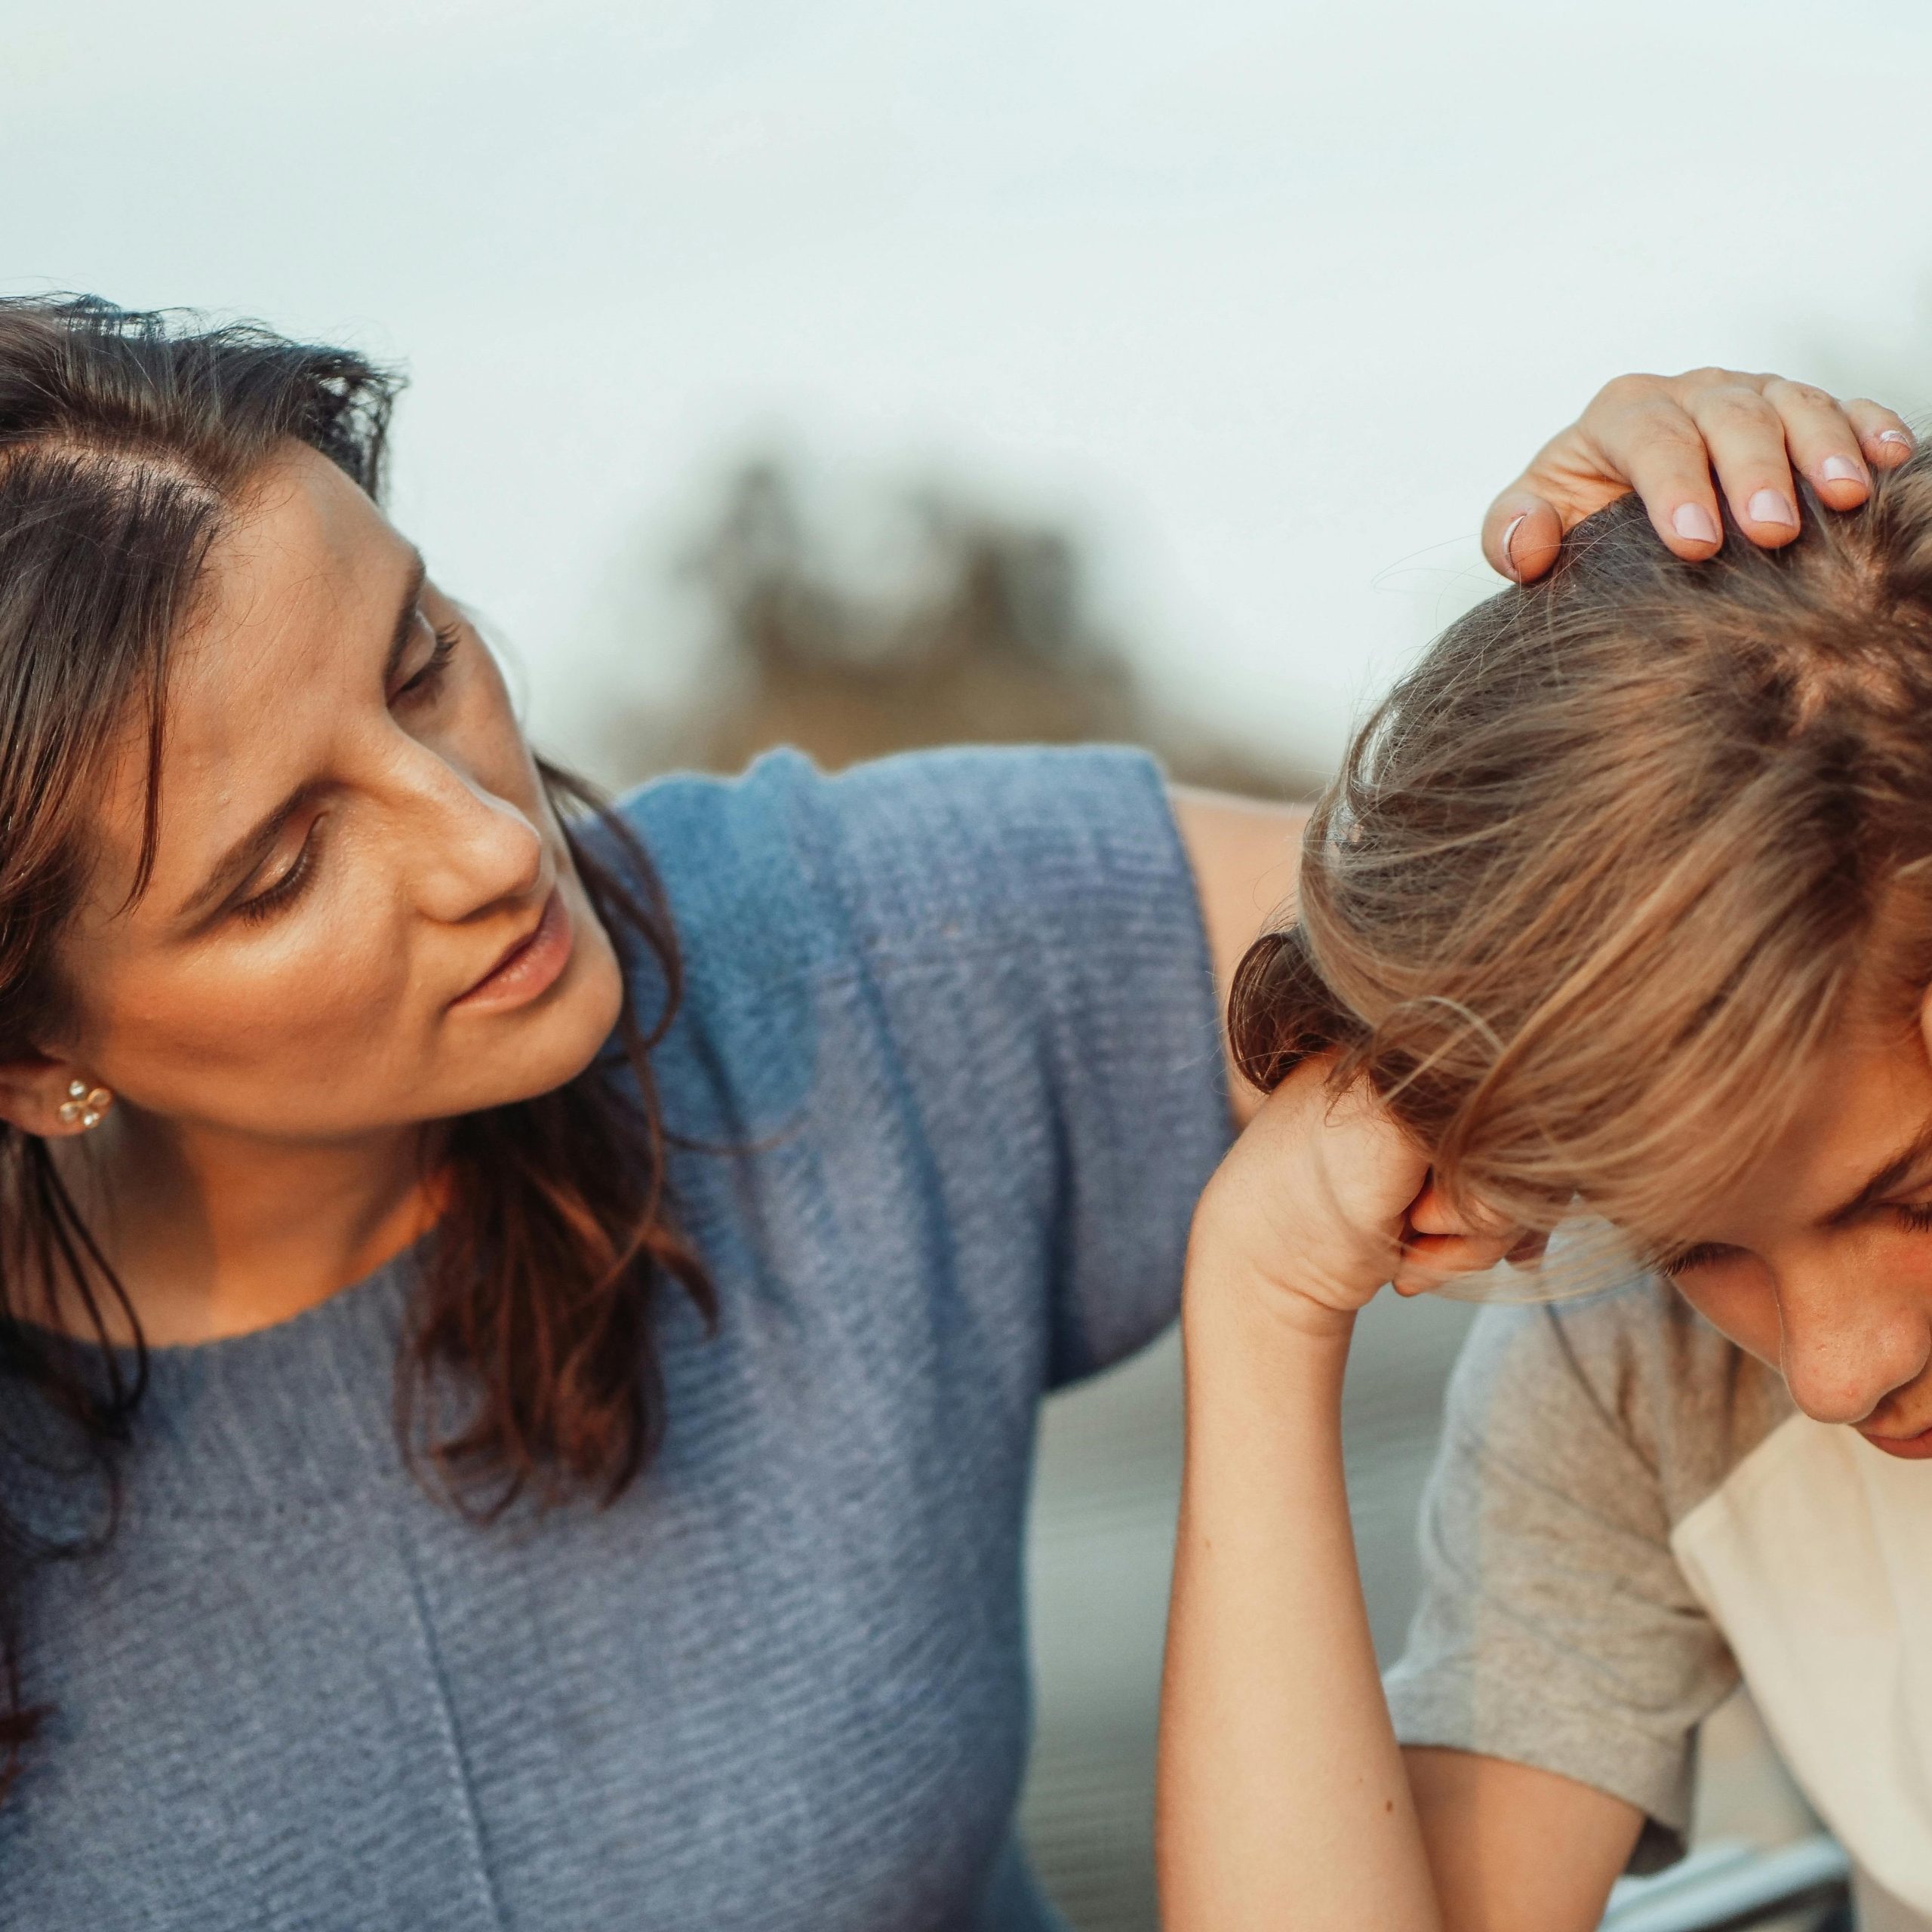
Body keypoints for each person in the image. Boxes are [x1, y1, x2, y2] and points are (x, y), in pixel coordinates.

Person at [0, 296, 1897, 1930]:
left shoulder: (858, 955)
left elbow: (1639, 884)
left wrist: (1679, 591)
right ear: (30, 1055)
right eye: (277, 871)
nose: (493, 844)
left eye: (423, 660)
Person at [1157, 432, 1932, 1930]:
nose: (1834, 1370)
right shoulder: (1631, 1377)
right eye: (1692, 1242)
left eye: (1911, 1194)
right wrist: (1255, 1297)